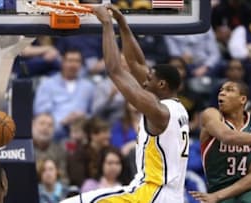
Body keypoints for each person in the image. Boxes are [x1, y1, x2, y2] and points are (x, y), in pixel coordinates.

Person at [61, 5, 189, 203]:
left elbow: (115, 70)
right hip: (173, 195)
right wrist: (122, 24)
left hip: (151, 193)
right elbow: (134, 63)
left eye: (150, 79)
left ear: (161, 84)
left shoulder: (159, 111)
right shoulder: (178, 108)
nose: (144, 82)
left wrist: (106, 24)